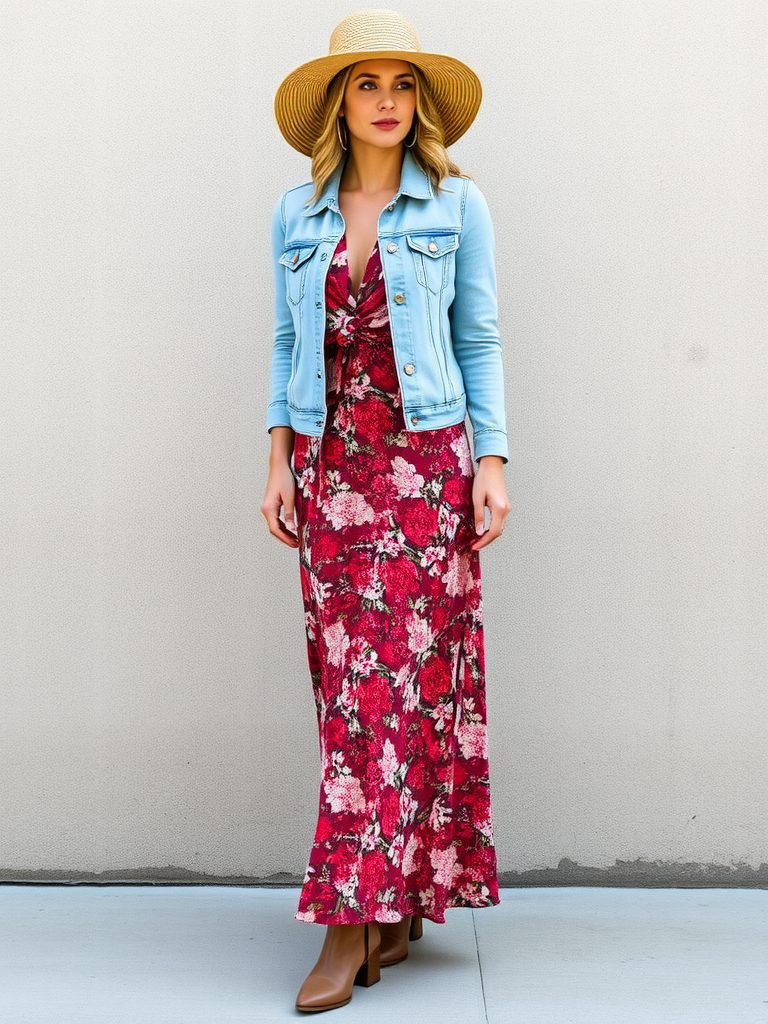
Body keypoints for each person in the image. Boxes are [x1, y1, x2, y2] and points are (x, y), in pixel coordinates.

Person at [262, 8, 511, 1014]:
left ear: (421, 103)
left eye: (402, 85)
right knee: (350, 685)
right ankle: (394, 901)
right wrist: (277, 460)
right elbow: (286, 345)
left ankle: (349, 921)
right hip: (331, 468)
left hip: (424, 468)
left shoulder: (457, 204)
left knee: (401, 684)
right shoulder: (297, 214)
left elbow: (479, 336)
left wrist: (492, 461)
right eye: (367, 84)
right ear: (337, 101)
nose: (387, 102)